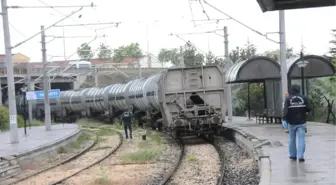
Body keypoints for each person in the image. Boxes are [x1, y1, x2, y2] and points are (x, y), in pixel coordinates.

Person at [282, 84, 311, 162]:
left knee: (292, 139)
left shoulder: (288, 99)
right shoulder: (304, 98)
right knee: (301, 139)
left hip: (291, 123)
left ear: (291, 90)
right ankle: (300, 156)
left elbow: (285, 110)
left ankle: (293, 155)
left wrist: (284, 119)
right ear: (299, 89)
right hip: (302, 122)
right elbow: (309, 108)